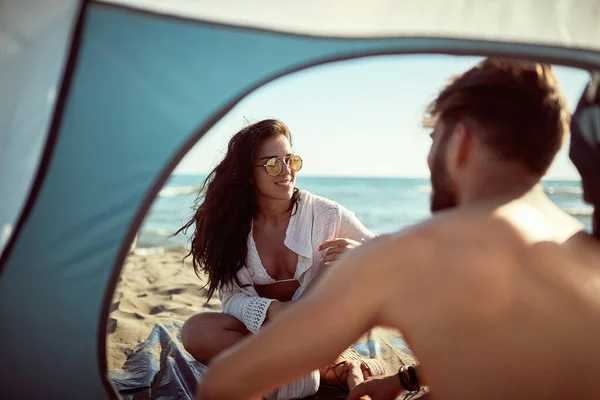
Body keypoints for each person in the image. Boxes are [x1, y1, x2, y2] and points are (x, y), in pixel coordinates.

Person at [195, 58, 600, 400]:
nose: (428, 154)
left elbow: (222, 385)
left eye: (433, 137)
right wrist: (404, 380)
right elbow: (507, 344)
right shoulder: (585, 252)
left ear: (460, 142)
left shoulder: (407, 256)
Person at [175, 119, 385, 400]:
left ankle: (298, 373)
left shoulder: (326, 215)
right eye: (272, 164)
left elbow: (389, 258)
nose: (286, 171)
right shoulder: (228, 228)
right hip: (268, 336)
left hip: (317, 331)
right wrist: (274, 311)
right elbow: (232, 299)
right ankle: (328, 370)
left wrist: (359, 255)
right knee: (195, 331)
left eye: (291, 160)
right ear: (248, 175)